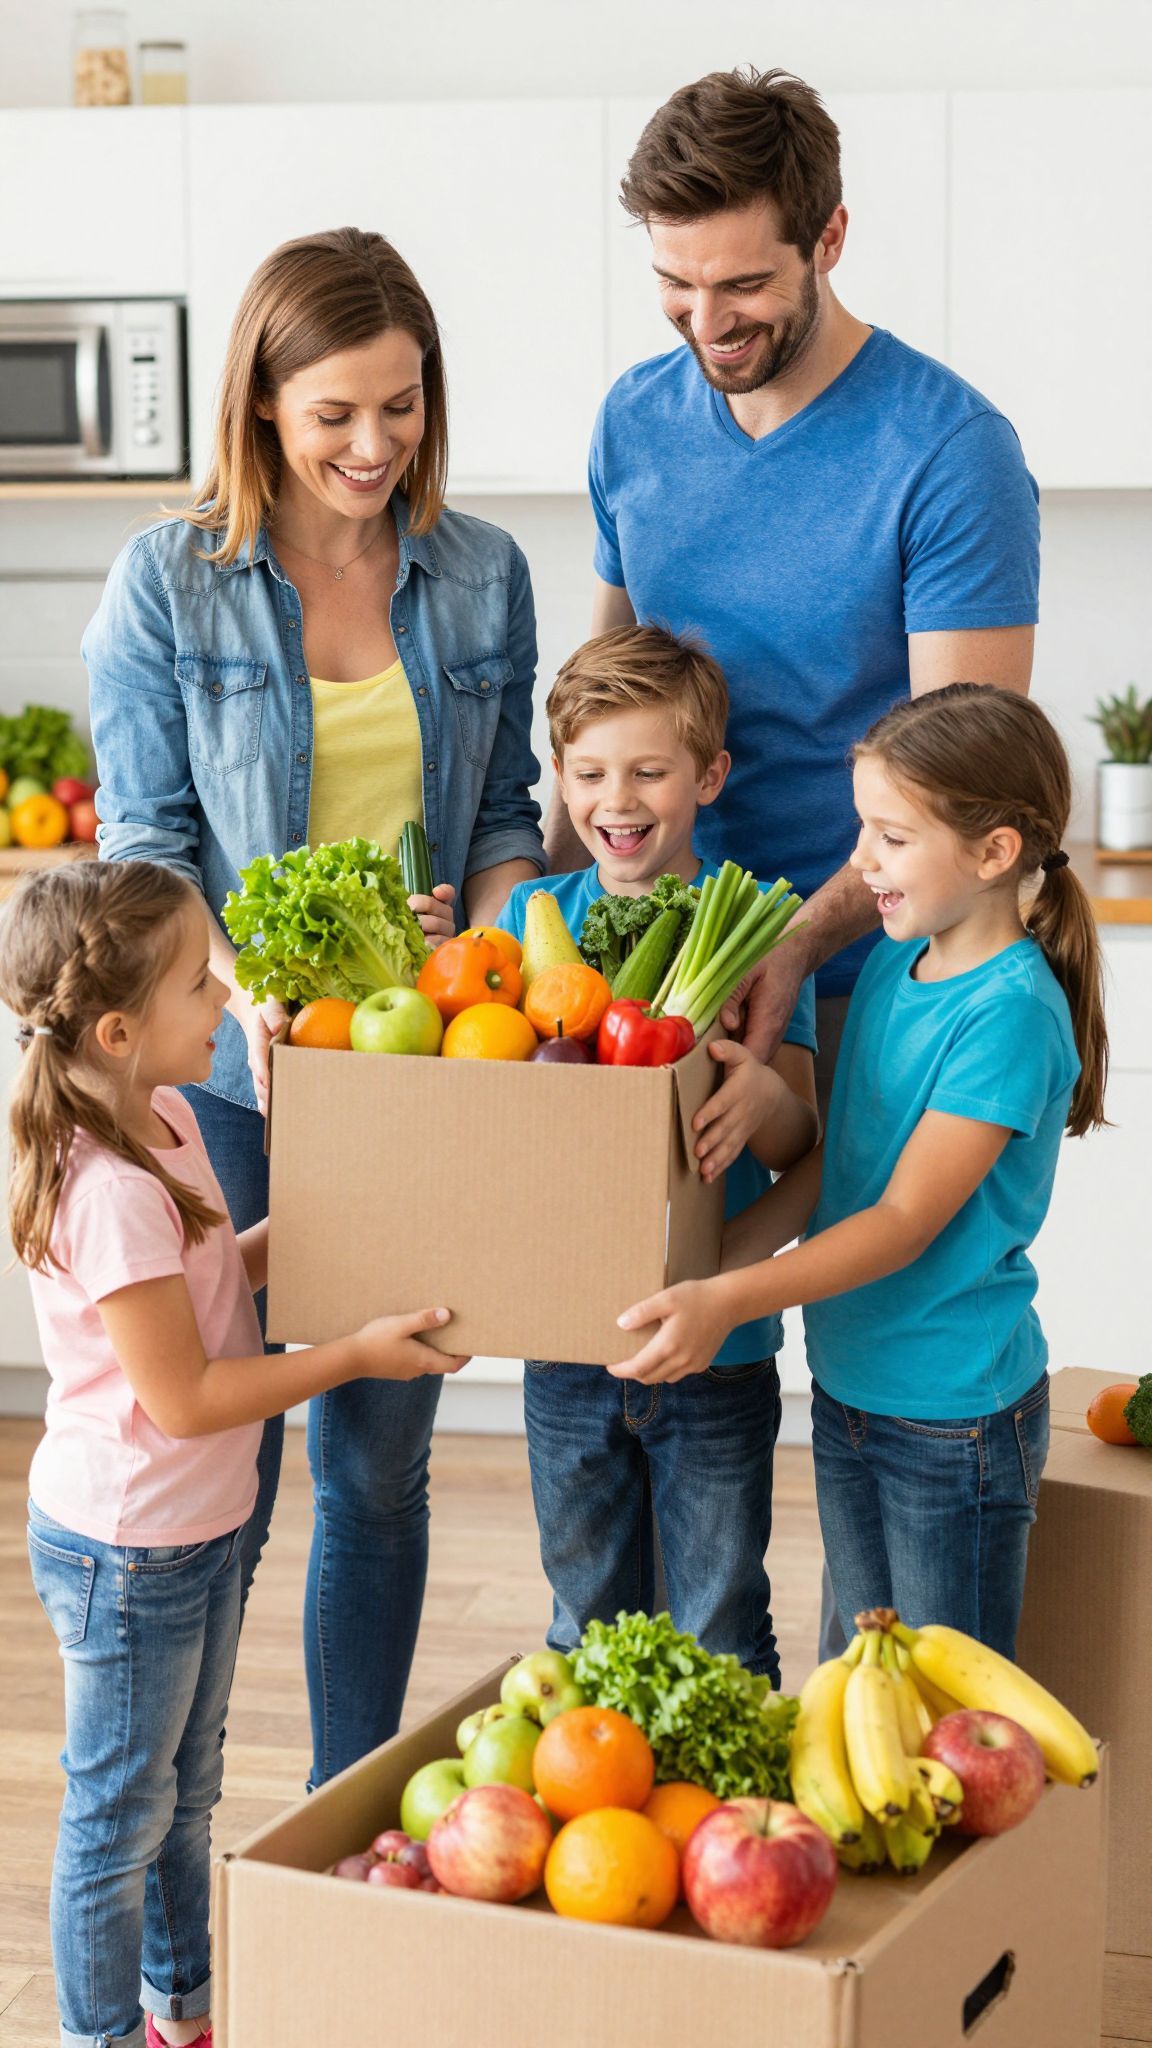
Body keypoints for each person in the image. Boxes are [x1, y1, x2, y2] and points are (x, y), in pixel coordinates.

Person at [559, 63, 1042, 1652]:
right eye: (675, 286)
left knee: (811, 1347)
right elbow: (612, 688)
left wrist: (800, 945)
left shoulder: (947, 451)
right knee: (625, 1341)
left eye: (746, 283)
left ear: (830, 236)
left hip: (858, 967)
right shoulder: (636, 419)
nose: (708, 323)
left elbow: (958, 764)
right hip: (663, 975)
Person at [83, 227, 544, 1781]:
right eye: (335, 412)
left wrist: (486, 956)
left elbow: (502, 829)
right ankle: (186, 1817)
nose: (372, 445)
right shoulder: (171, 579)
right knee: (224, 1455)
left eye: (401, 407)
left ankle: (343, 1814)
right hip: (232, 1069)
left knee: (377, 1462)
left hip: (417, 1066)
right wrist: (245, 988)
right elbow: (146, 849)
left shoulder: (481, 572)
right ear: (262, 405)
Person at [0, 859, 464, 2048]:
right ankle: (99, 2034)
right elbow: (193, 1392)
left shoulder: (169, 1117)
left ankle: (181, 2010)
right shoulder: (102, 1186)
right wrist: (354, 1351)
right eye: (200, 983)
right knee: (118, 1815)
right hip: (128, 1548)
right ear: (117, 1027)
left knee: (186, 1793)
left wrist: (347, 1234)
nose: (227, 998)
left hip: (192, 1528)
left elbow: (217, 1274)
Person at [613, 685, 1108, 1660]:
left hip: (953, 1418)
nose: (859, 864)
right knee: (865, 1691)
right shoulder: (899, 959)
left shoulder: (1008, 1011)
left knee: (944, 1719)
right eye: (861, 832)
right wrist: (698, 1271)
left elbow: (899, 1222)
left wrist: (729, 1296)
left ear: (995, 851)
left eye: (889, 836)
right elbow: (842, 1168)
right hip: (849, 1388)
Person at [497, 625, 819, 1684]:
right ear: (560, 777)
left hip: (716, 1350)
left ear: (710, 774)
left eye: (648, 771)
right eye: (588, 773)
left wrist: (762, 1091)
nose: (615, 801)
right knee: (581, 1621)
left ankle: (729, 1840)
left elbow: (800, 1140)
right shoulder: (534, 917)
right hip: (566, 1339)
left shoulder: (762, 927)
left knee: (723, 1624)